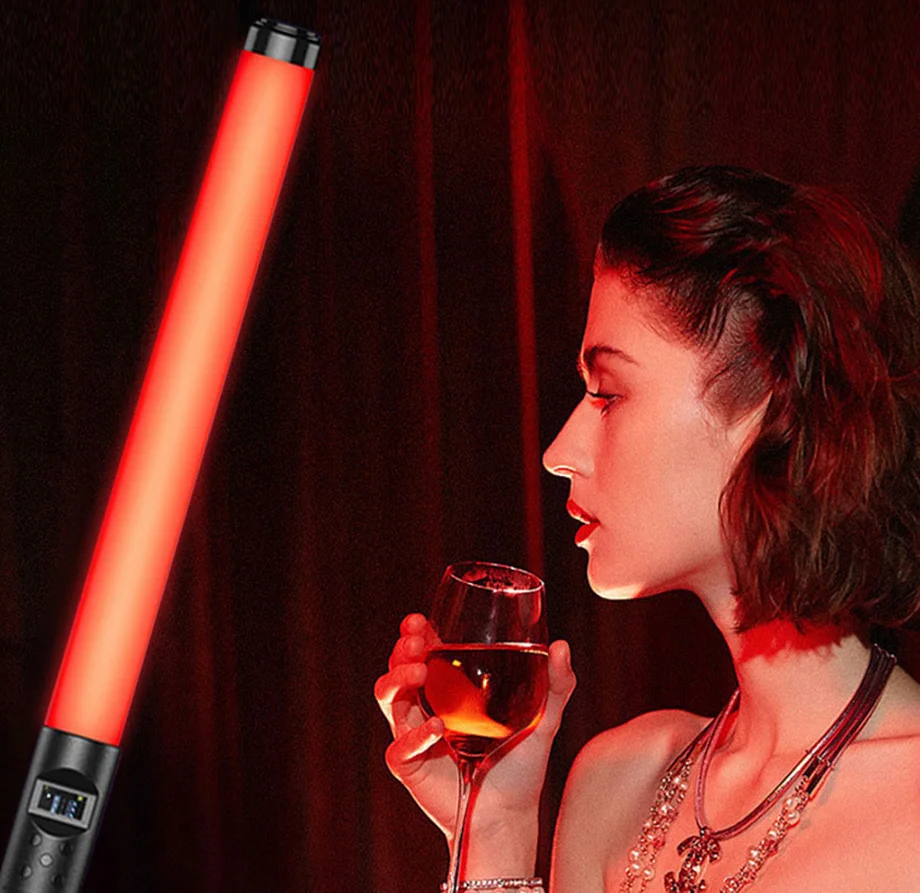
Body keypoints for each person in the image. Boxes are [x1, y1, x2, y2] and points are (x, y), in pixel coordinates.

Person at [375, 165, 920, 892]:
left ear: (769, 409)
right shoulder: (617, 784)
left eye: (608, 394)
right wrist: (494, 828)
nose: (558, 452)